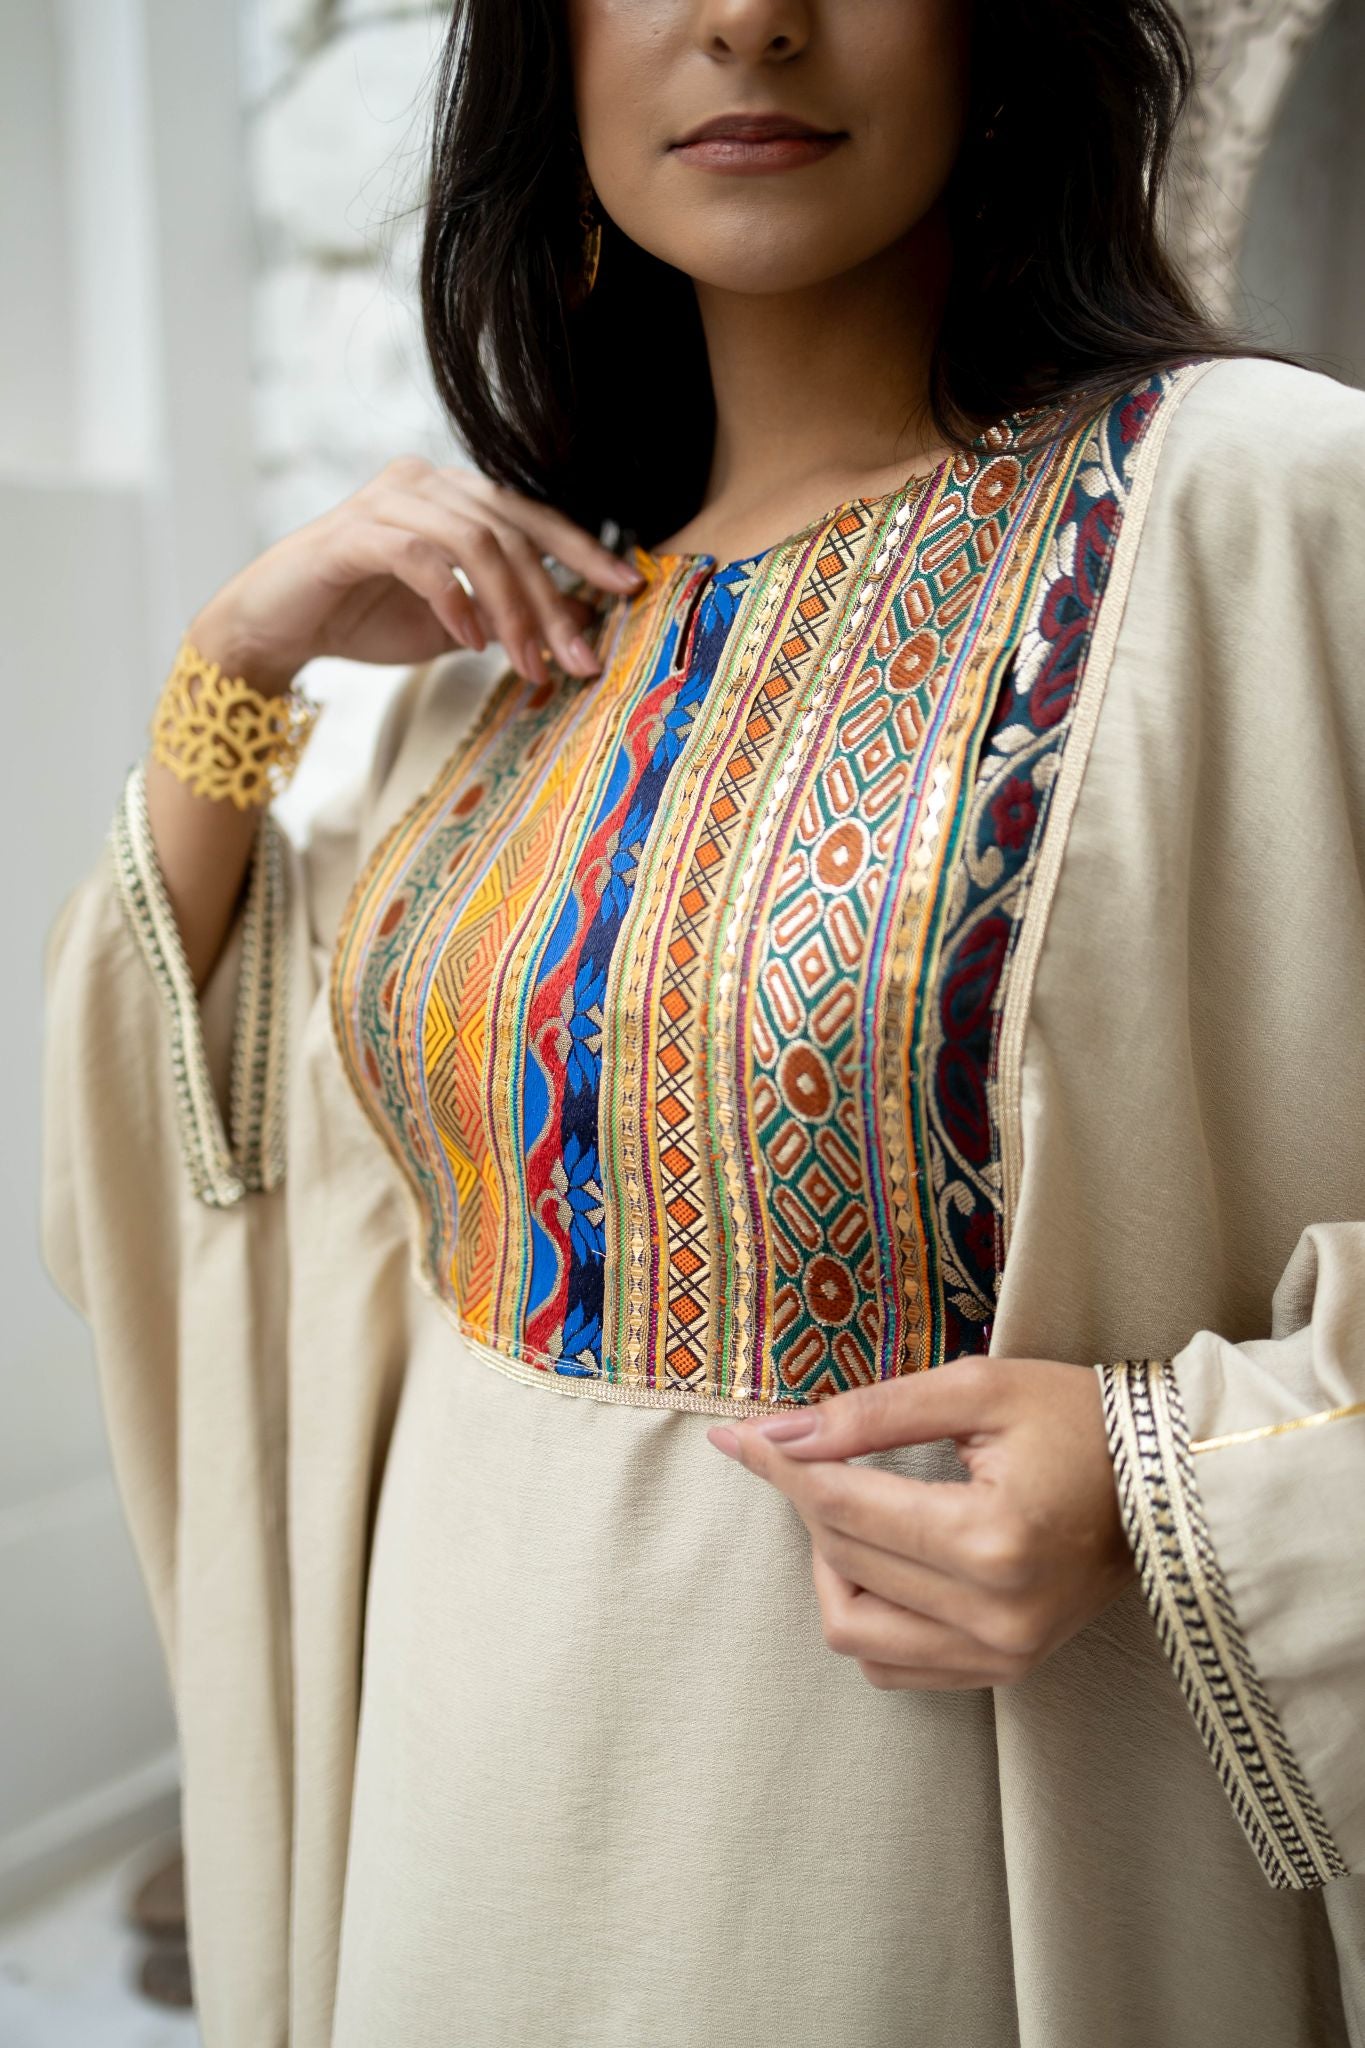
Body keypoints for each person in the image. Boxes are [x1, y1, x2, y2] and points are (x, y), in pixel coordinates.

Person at [39, 1, 1365, 2043]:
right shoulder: (494, 675)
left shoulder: (1270, 514)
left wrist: (1166, 1480)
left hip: (919, 1872)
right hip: (451, 1837)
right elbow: (222, 1204)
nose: (746, 17)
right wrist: (237, 672)